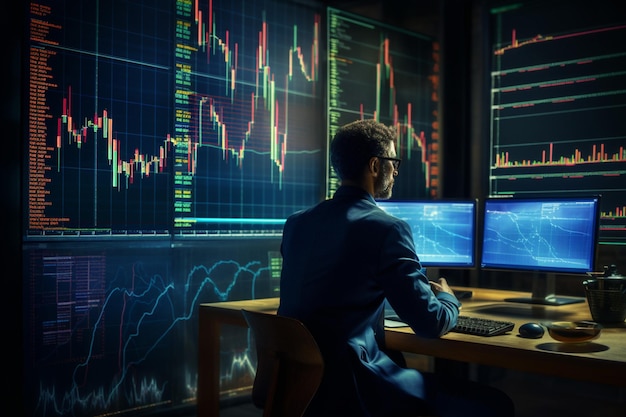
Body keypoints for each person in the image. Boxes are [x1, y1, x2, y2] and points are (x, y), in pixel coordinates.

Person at [277, 119, 514, 417]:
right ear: (375, 166)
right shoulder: (387, 229)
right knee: (495, 404)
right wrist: (448, 299)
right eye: (393, 162)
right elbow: (430, 324)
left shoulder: (297, 223)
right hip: (356, 389)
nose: (396, 171)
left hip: (302, 387)